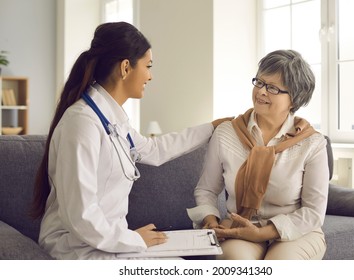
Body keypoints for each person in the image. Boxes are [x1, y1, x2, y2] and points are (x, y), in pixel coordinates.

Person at [31, 21, 229, 260]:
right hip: (77, 248)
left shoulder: (112, 119)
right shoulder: (81, 124)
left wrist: (211, 127)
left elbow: (154, 150)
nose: (150, 75)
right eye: (148, 66)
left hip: (108, 242)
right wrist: (134, 240)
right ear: (125, 67)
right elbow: (81, 216)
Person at [187, 49, 329, 260]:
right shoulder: (227, 133)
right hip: (241, 227)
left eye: (272, 88)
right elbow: (207, 189)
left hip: (295, 232)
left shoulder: (312, 143)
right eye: (259, 83)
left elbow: (312, 213)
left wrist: (262, 233)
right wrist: (210, 219)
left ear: (294, 99)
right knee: (234, 262)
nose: (261, 92)